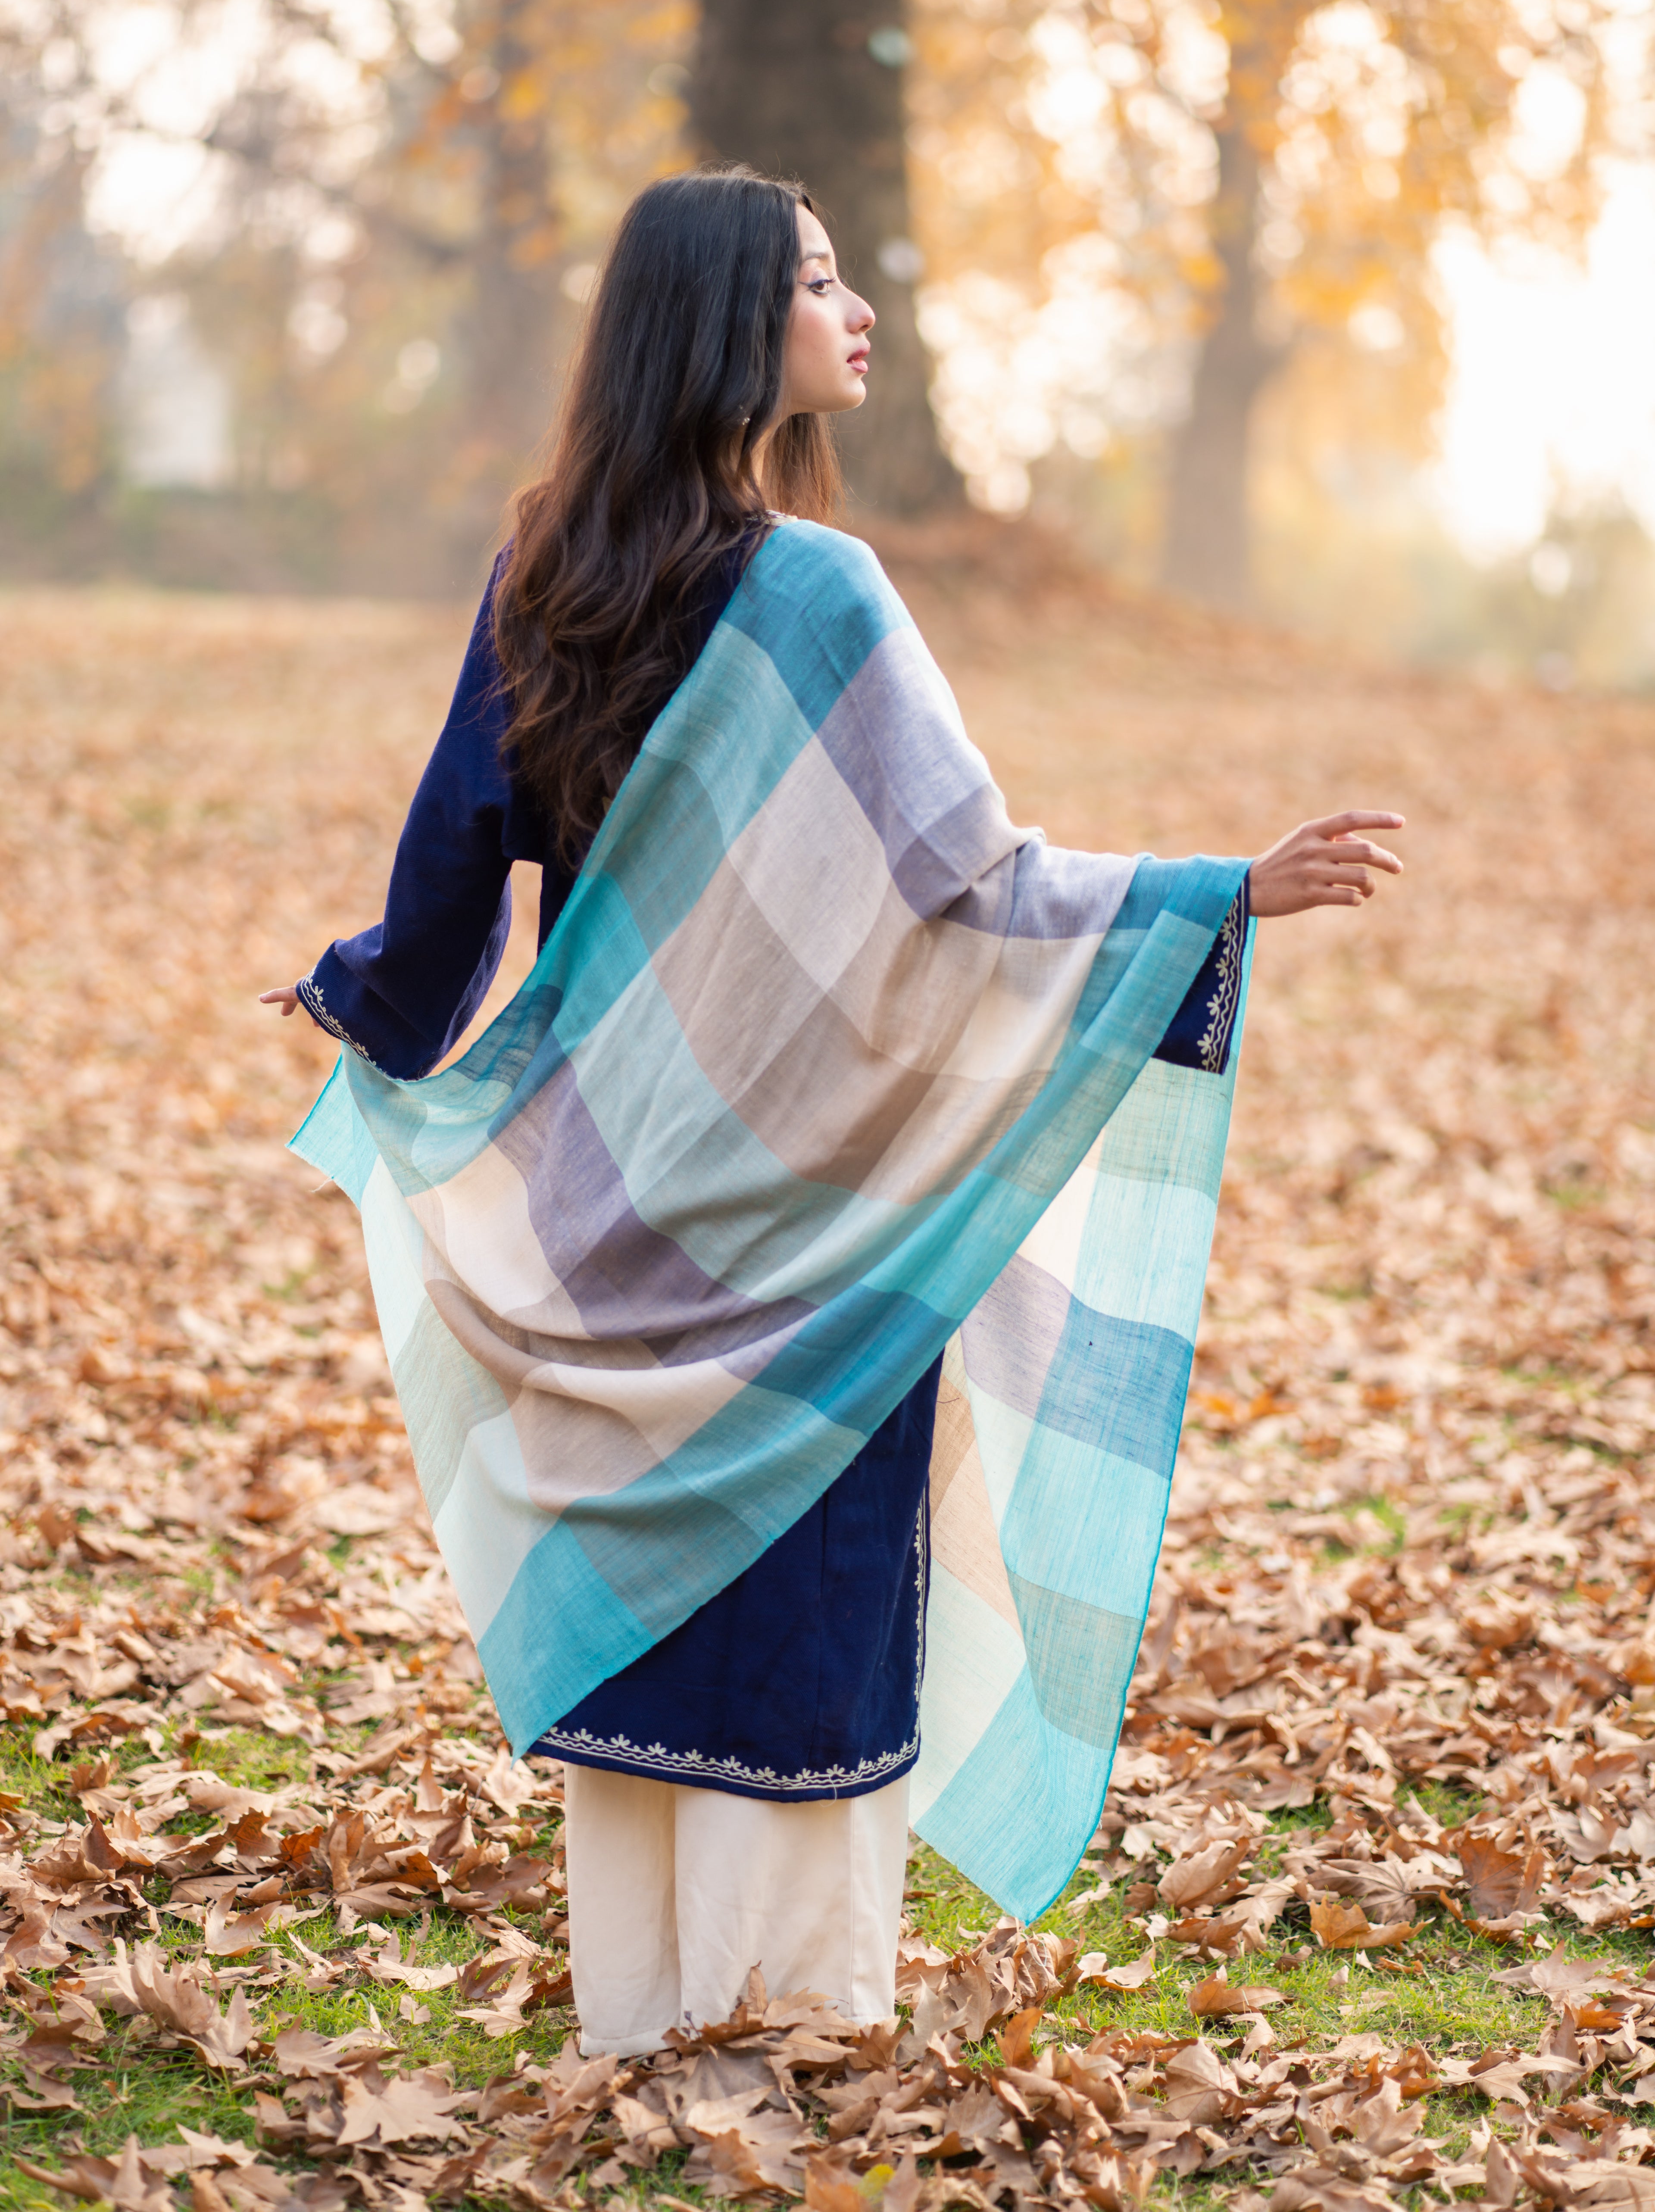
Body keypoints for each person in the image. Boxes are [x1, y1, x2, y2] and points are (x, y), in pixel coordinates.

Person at [262, 165, 1402, 2057]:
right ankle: (794, 2014)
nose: (855, 309)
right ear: (729, 321)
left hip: (600, 1191)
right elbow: (972, 883)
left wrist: (374, 1010)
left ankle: (647, 2009)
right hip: (811, 1202)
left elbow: (457, 856)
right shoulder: (818, 590)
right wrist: (1214, 896)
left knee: (656, 1567)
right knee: (801, 1572)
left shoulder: (548, 564)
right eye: (815, 280)